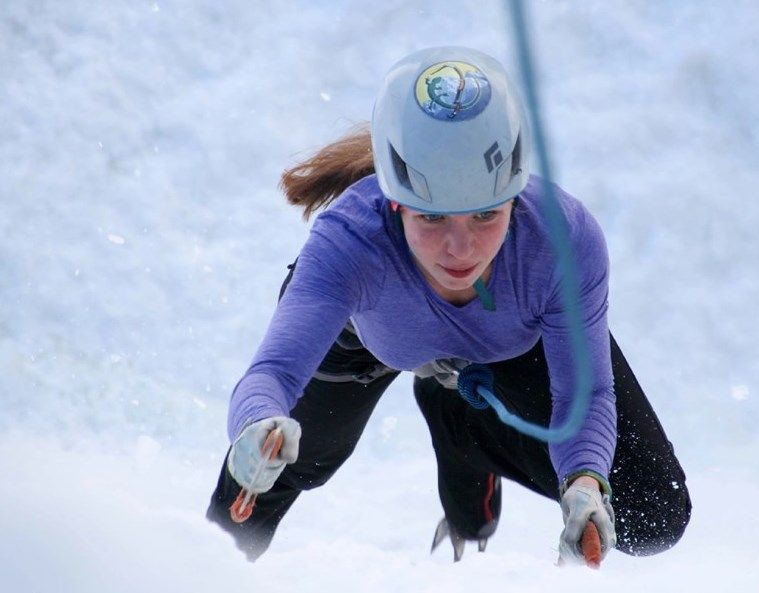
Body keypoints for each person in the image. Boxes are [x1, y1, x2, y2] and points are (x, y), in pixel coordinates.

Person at [206, 46, 690, 564]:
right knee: (286, 463)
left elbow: (585, 393)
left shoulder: (560, 242)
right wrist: (258, 427)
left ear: (515, 192)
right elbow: (273, 373)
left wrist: (586, 479)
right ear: (393, 200)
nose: (460, 251)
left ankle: (462, 423)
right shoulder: (349, 242)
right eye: (431, 219)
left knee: (650, 513)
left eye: (485, 215)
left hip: (508, 339)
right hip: (366, 336)